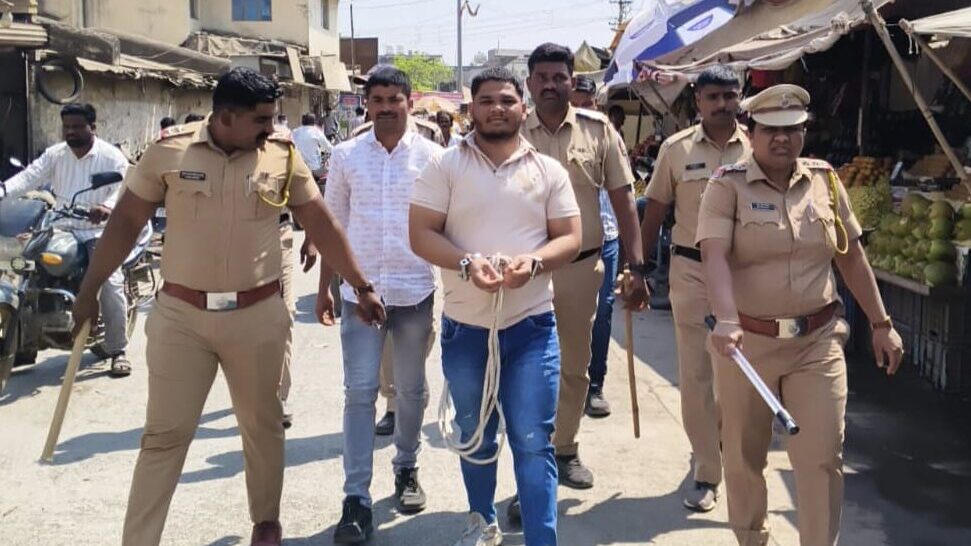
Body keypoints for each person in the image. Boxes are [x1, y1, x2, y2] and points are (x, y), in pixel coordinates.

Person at [70, 67, 384, 546]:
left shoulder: (282, 155)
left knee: (262, 427)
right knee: (163, 437)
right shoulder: (169, 151)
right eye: (261, 119)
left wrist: (361, 286)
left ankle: (266, 522)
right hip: (181, 319)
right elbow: (126, 223)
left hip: (256, 317)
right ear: (226, 116)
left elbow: (322, 224)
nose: (270, 128)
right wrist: (89, 290)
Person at [697, 84, 904, 546]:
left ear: (804, 133)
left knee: (821, 456)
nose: (782, 139)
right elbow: (713, 255)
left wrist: (882, 324)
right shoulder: (726, 185)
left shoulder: (825, 180)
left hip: (817, 341)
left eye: (792, 130)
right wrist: (726, 319)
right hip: (747, 347)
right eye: (770, 130)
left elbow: (851, 257)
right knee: (744, 459)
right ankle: (753, 538)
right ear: (750, 133)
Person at [410, 65, 582, 546]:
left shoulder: (548, 171)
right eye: (486, 100)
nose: (497, 109)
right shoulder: (445, 166)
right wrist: (466, 263)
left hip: (531, 328)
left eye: (507, 100)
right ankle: (482, 524)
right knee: (476, 435)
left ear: (523, 108)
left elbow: (570, 237)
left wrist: (535, 262)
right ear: (472, 109)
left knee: (533, 440)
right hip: (466, 329)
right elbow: (420, 233)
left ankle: (542, 539)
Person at [314, 65, 439, 545]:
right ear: (367, 105)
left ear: (410, 102)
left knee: (411, 390)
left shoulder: (433, 157)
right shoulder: (346, 157)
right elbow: (332, 226)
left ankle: (406, 466)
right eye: (377, 100)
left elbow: (444, 225)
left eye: (394, 99)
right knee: (360, 392)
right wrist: (326, 287)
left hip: (414, 291)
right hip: (358, 295)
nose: (385, 108)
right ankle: (356, 498)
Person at [521, 42, 650, 492]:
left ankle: (565, 449)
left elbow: (624, 201)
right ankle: (531, 461)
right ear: (529, 82)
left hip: (579, 270)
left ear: (572, 81)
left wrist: (637, 267)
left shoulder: (599, 131)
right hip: (524, 274)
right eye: (542, 77)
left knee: (574, 365)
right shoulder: (510, 129)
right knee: (525, 370)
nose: (551, 85)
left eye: (559, 77)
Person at [639, 64, 751, 512]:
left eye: (729, 95)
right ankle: (707, 471)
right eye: (713, 97)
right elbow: (654, 210)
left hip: (746, 275)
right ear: (698, 101)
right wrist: (638, 268)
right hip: (692, 271)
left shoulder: (759, 146)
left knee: (736, 376)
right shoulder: (676, 149)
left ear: (740, 96)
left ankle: (722, 446)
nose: (722, 104)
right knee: (698, 376)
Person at [0, 103, 132, 376]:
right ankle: (26, 341)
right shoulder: (56, 154)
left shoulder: (111, 157)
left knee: (109, 281)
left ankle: (118, 349)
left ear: (92, 127)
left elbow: (121, 187)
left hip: (96, 230)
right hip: (59, 225)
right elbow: (29, 177)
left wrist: (106, 207)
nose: (70, 131)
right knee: (22, 266)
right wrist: (2, 191)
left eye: (77, 126)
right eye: (67, 127)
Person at [567, 74, 617, 418]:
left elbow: (623, 193)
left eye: (588, 104)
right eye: (576, 105)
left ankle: (594, 385)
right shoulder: (548, 136)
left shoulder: (606, 134)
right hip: (562, 244)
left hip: (606, 238)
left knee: (601, 315)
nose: (583, 110)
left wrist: (635, 263)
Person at [291, 112, 333, 181]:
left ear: (302, 122)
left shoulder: (295, 131)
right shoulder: (316, 132)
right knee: (329, 168)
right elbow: (329, 148)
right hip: (313, 169)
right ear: (314, 122)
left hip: (296, 167)